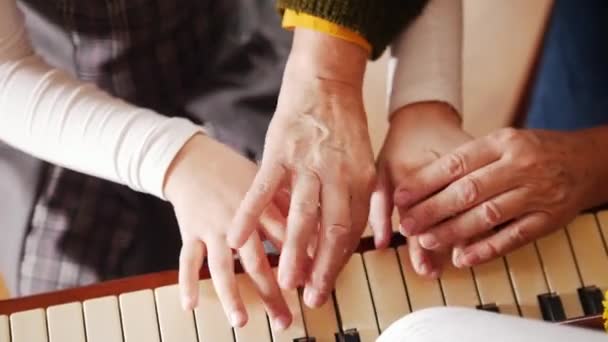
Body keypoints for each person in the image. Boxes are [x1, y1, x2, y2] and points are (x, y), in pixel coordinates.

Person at [0, 0, 429, 330]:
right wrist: (175, 158)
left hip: (239, 64)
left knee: (314, 283)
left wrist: (423, 102)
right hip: (69, 120)